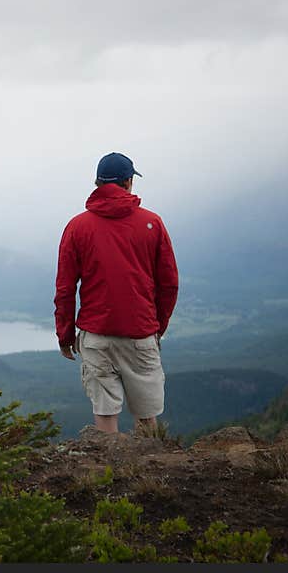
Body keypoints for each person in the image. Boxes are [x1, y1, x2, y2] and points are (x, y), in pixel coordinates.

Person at [54, 152, 178, 435]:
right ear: (128, 182)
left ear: (98, 183)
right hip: (140, 333)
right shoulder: (152, 223)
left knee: (105, 413)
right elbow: (169, 283)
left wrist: (64, 335)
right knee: (147, 417)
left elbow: (64, 289)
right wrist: (157, 325)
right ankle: (147, 473)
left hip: (96, 336)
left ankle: (110, 473)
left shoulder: (77, 227)